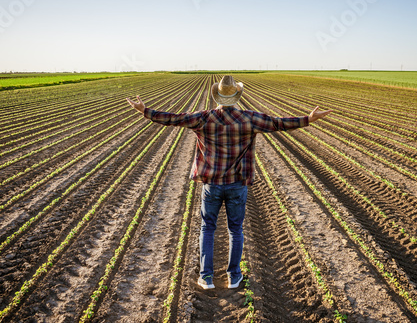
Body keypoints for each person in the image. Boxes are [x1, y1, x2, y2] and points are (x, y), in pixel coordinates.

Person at [126, 75, 332, 290]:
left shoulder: (203, 118)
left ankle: (206, 277)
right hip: (237, 185)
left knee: (207, 229)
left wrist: (144, 111)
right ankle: (234, 276)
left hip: (212, 184)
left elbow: (173, 119)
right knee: (235, 230)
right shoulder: (250, 119)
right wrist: (308, 119)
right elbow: (279, 123)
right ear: (237, 96)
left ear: (217, 96)